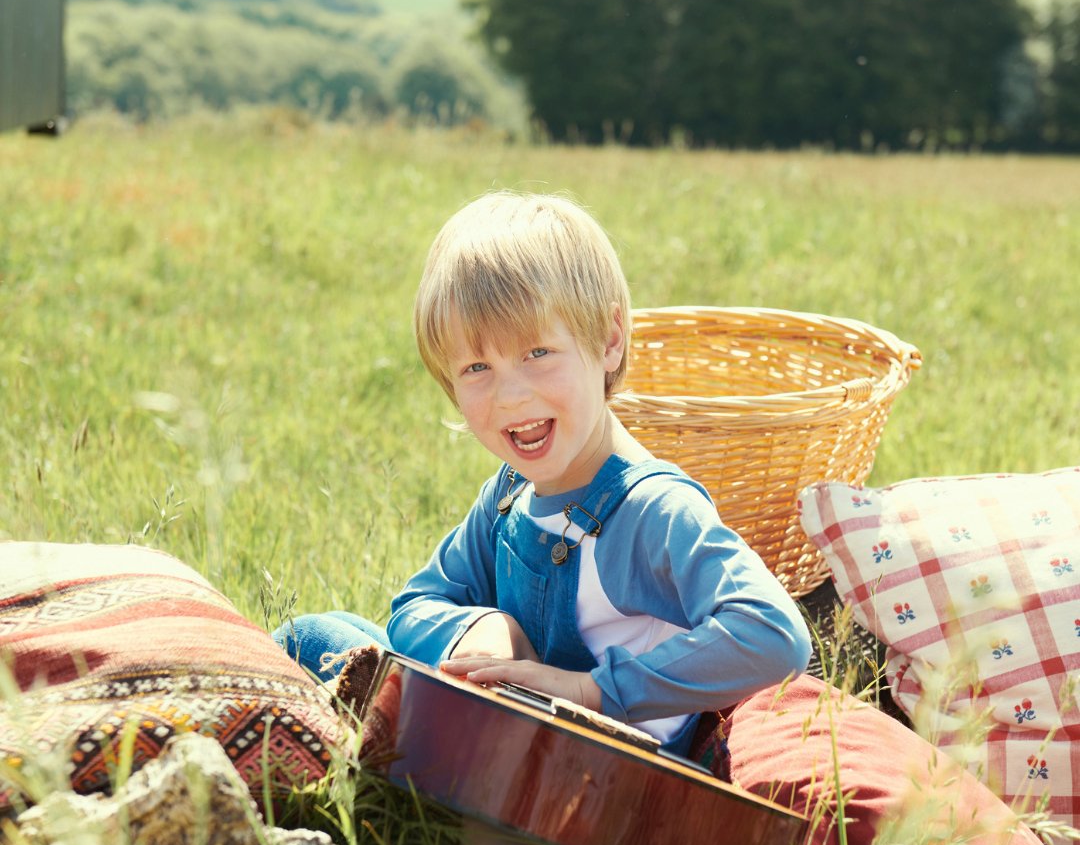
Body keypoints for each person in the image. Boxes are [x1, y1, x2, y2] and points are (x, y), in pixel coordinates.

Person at [276, 191, 810, 762]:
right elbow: (415, 604)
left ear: (608, 340)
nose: (511, 394)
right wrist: (482, 630)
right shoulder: (510, 496)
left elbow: (775, 636)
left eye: (537, 352)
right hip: (503, 742)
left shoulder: (651, 510)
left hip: (599, 779)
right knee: (325, 631)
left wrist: (592, 691)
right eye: (477, 367)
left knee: (312, 644)